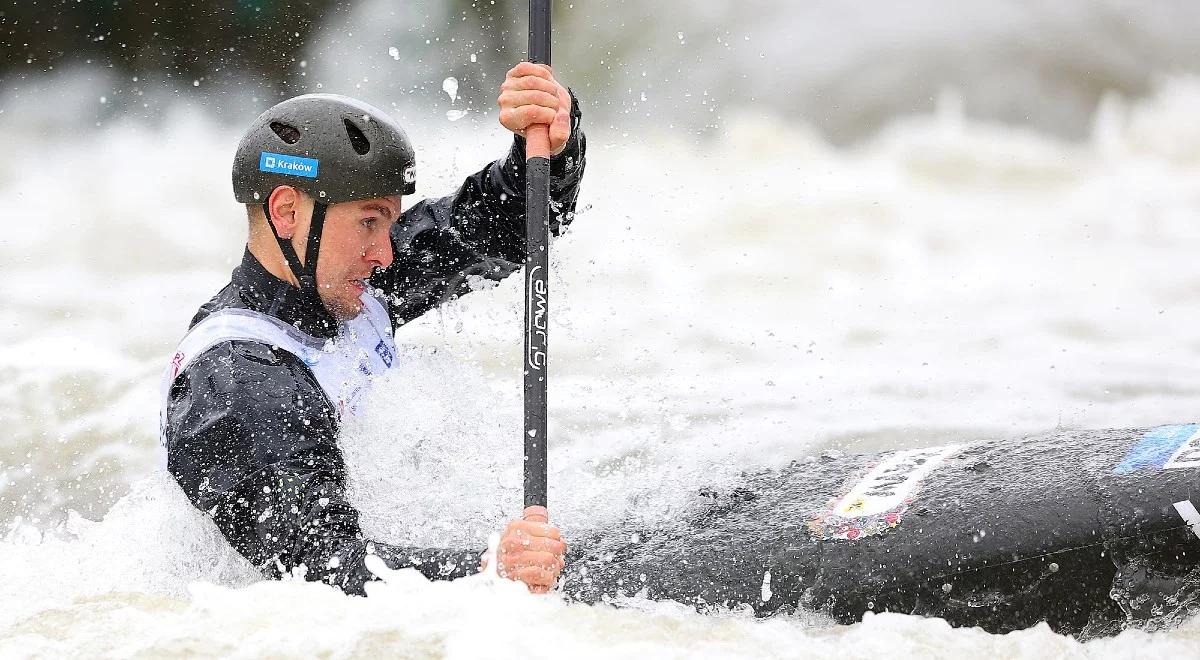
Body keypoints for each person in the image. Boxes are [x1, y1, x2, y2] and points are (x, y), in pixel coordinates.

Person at [160, 62, 585, 596]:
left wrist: (551, 139)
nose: (385, 253)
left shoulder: (340, 285)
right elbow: (328, 577)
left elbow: (505, 227)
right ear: (287, 212)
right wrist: (488, 575)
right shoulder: (237, 383)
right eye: (369, 220)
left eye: (390, 222)